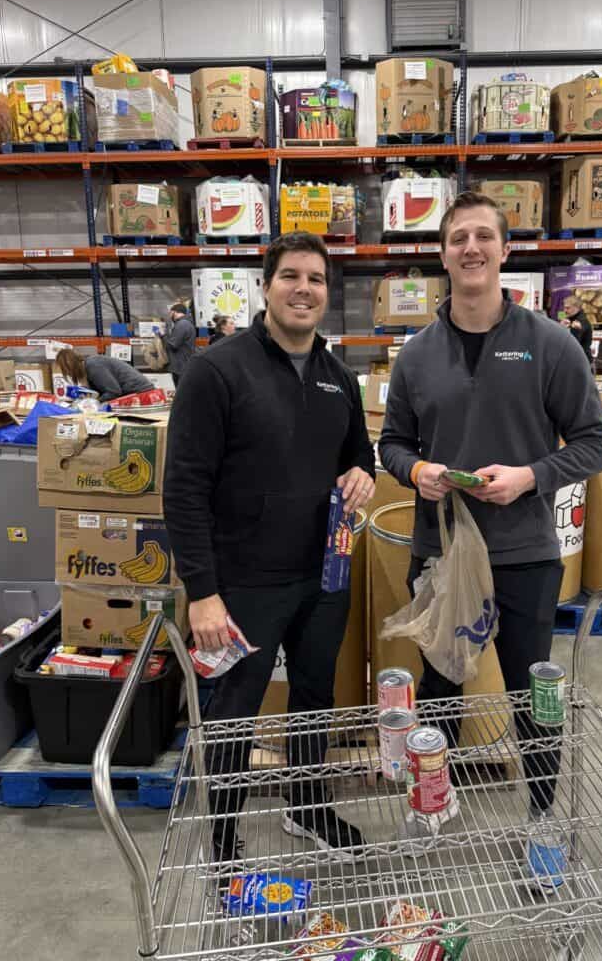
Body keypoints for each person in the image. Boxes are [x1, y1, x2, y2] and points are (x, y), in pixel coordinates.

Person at [379, 191, 602, 830]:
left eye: (484, 236)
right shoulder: (418, 353)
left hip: (525, 554)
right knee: (440, 691)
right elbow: (392, 443)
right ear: (443, 254)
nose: (472, 248)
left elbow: (598, 443)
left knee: (532, 693)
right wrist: (418, 471)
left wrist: (530, 477)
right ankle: (433, 806)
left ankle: (541, 816)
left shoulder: (552, 344)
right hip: (441, 553)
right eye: (459, 239)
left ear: (505, 251)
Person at [163, 231, 375, 865]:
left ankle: (307, 808)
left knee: (313, 700)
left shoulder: (340, 378)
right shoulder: (218, 370)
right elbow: (184, 487)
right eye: (290, 276)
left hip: (322, 577)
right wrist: (202, 591)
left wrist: (363, 472)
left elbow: (356, 453)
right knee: (234, 712)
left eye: (315, 278)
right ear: (266, 285)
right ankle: (224, 840)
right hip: (242, 585)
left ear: (327, 292)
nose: (303, 288)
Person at [54, 348, 154, 403]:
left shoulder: (93, 366)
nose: (67, 374)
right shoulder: (88, 368)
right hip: (134, 393)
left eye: (66, 370)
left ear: (72, 366)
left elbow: (114, 392)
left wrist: (95, 401)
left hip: (142, 393)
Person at [161, 302, 196, 387]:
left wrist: (163, 335)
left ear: (174, 312)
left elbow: (173, 345)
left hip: (180, 366)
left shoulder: (182, 324)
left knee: (181, 393)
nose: (169, 316)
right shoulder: (184, 323)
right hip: (182, 365)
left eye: (170, 313)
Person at [561, 295, 593, 363]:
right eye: (564, 308)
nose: (564, 310)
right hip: (568, 358)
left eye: (567, 308)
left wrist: (575, 329)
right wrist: (560, 326)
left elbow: (574, 343)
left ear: (576, 308)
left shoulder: (581, 320)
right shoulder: (566, 316)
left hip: (581, 360)